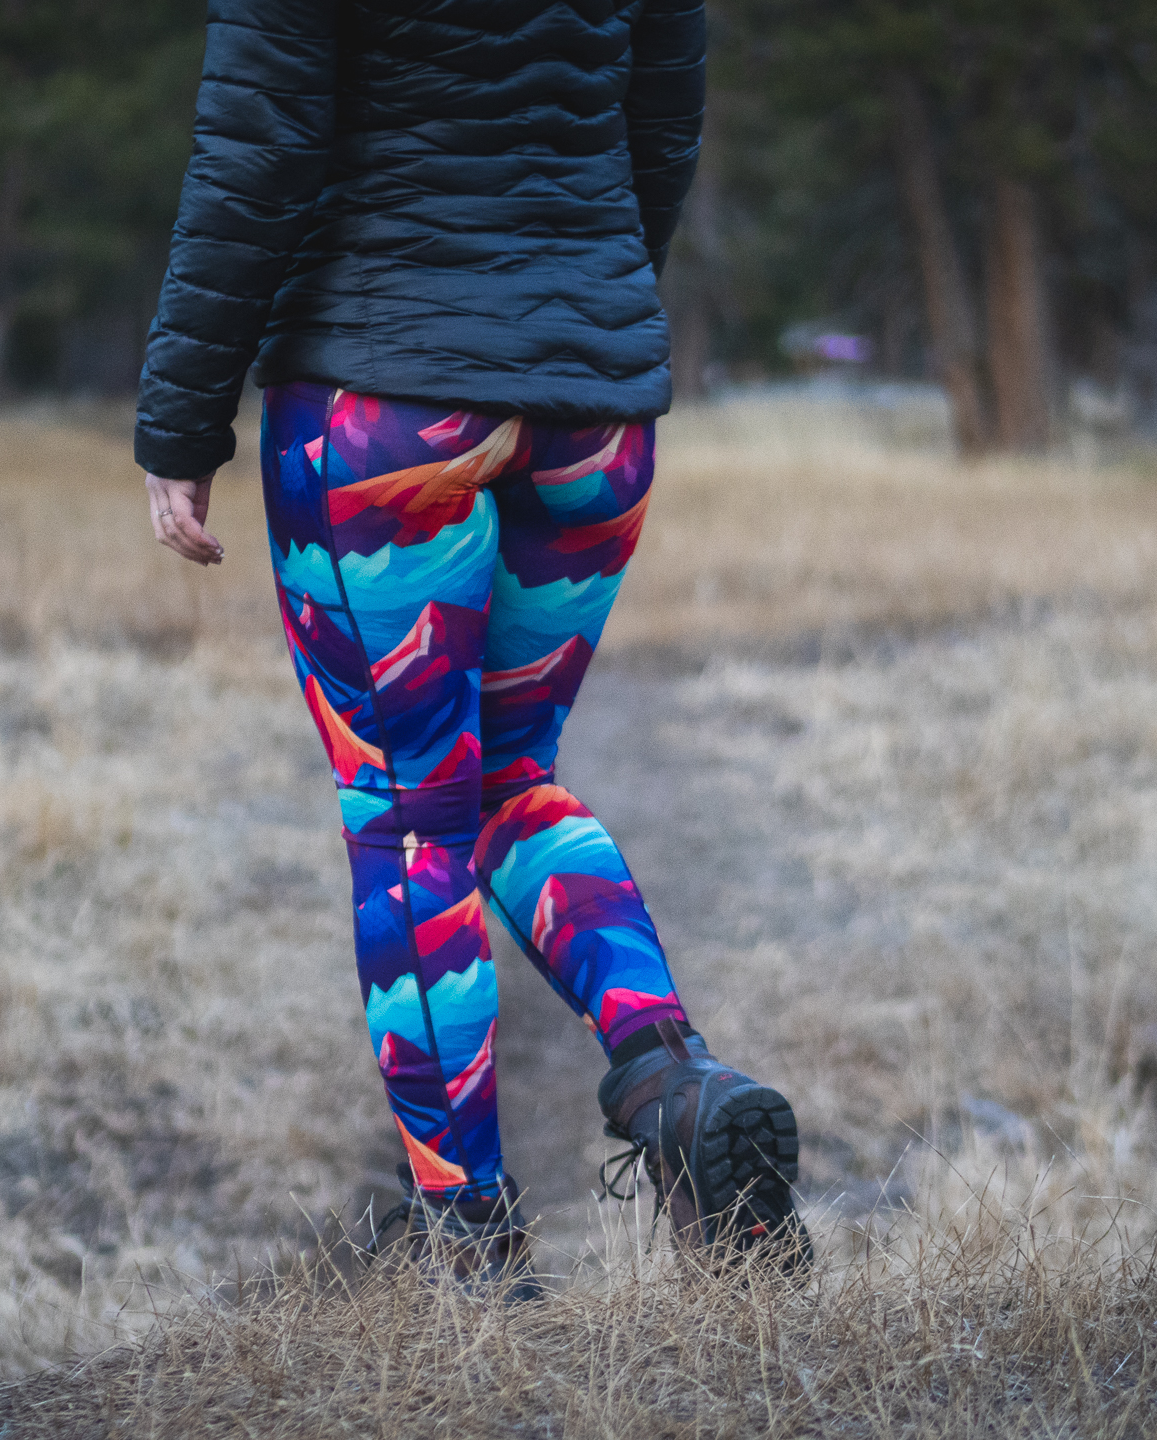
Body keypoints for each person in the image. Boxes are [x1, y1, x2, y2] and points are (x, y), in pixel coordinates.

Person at [136, 0, 805, 1286]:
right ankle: (672, 1081)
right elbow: (661, 123)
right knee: (514, 774)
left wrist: (180, 420)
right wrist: (576, 323)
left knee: (407, 816)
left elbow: (255, 146)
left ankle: (470, 1242)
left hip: (382, 400)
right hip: (591, 402)